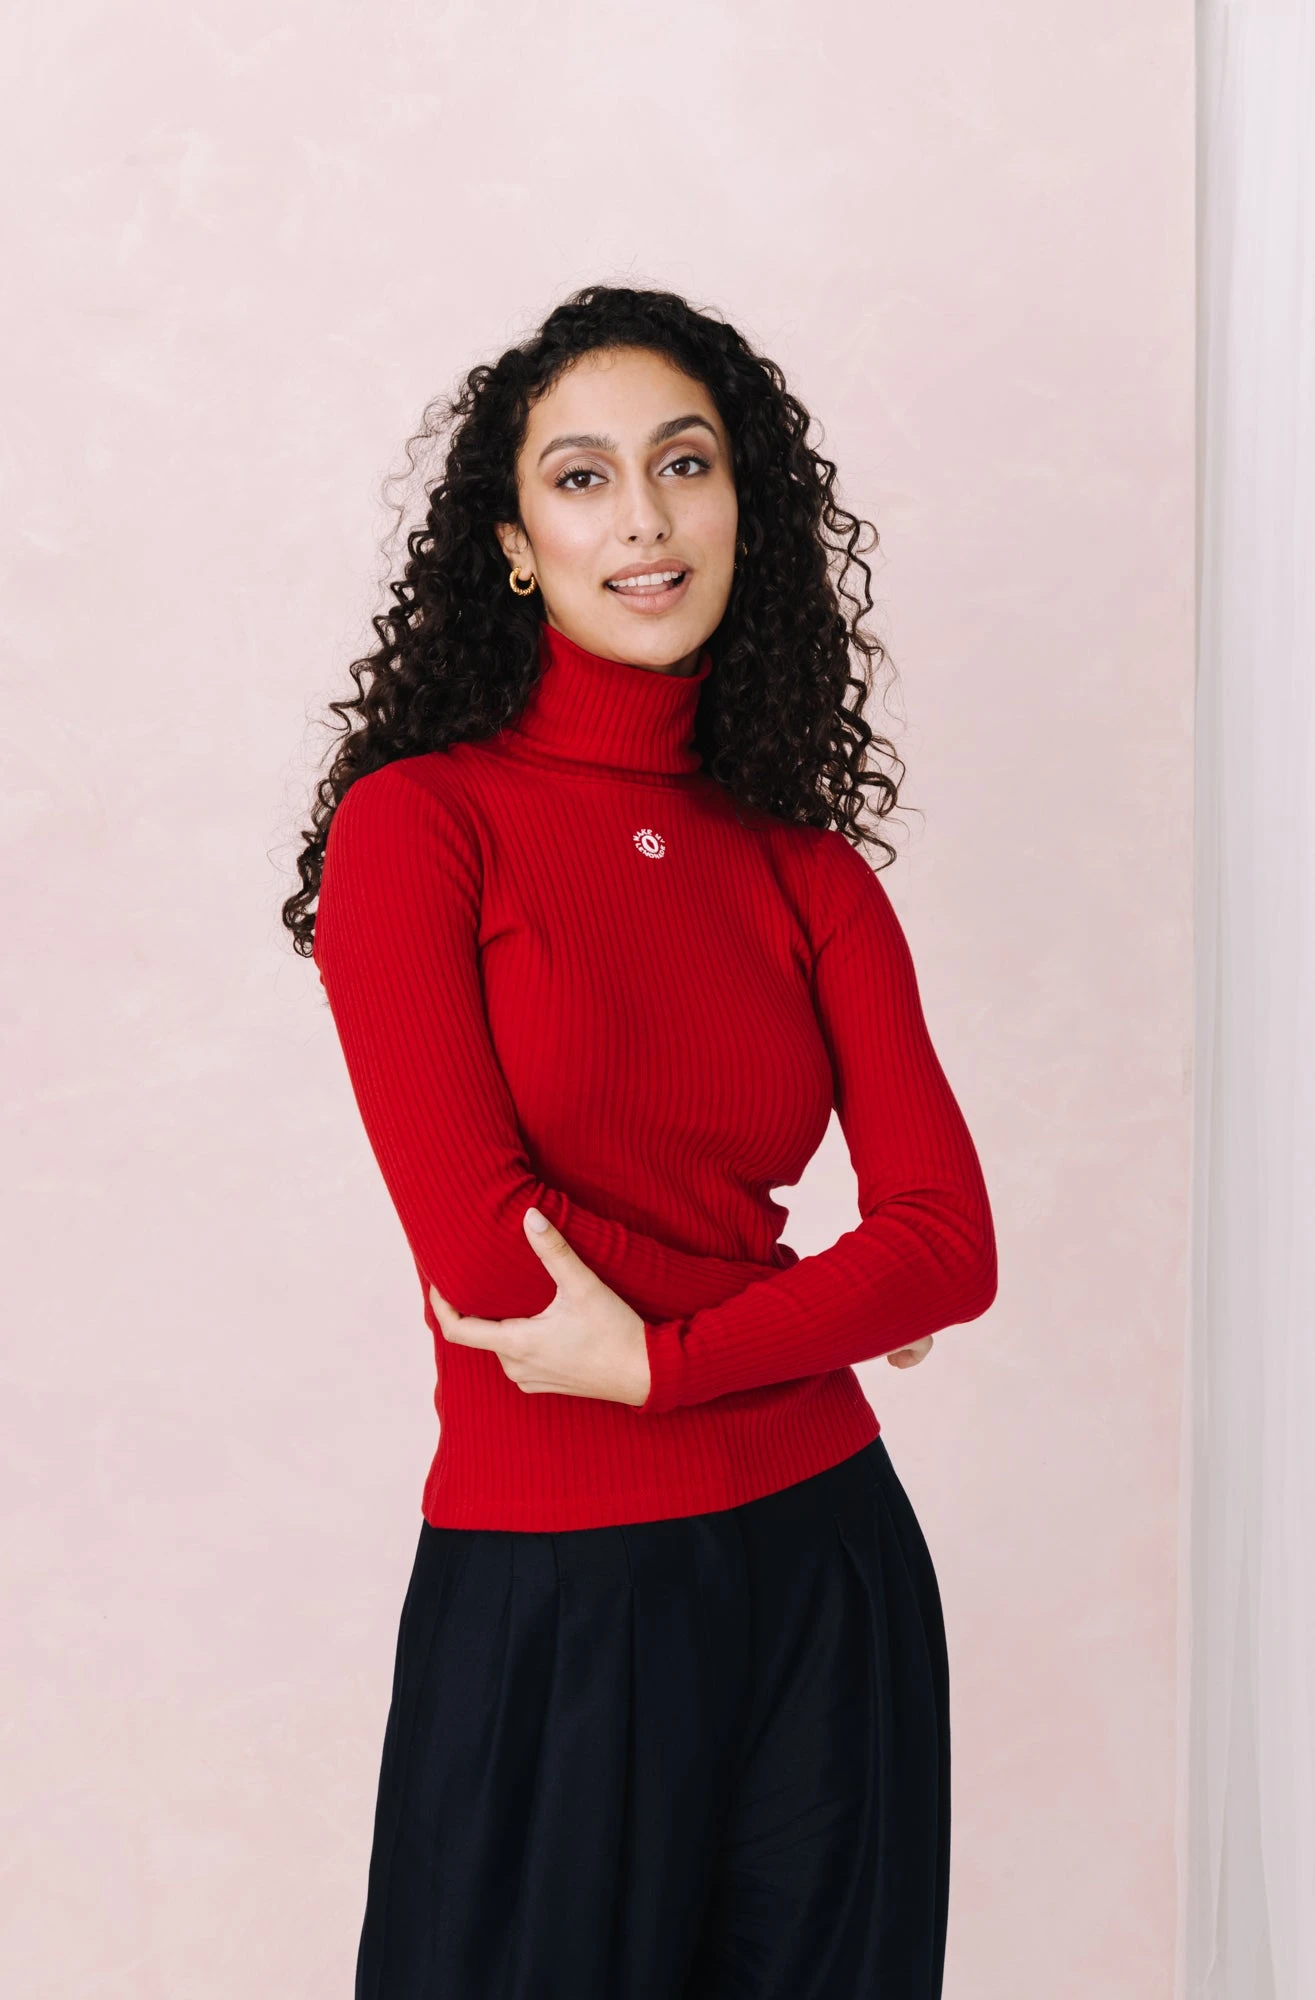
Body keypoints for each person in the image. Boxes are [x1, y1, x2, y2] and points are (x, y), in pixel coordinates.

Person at [283, 283, 997, 1999]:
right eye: (582, 478)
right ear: (513, 545)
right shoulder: (419, 827)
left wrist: (670, 1361)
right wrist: (814, 1309)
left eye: (684, 464)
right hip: (557, 1588)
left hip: (829, 1570)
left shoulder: (805, 869)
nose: (644, 520)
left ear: (746, 506)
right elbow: (494, 1271)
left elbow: (949, 1247)